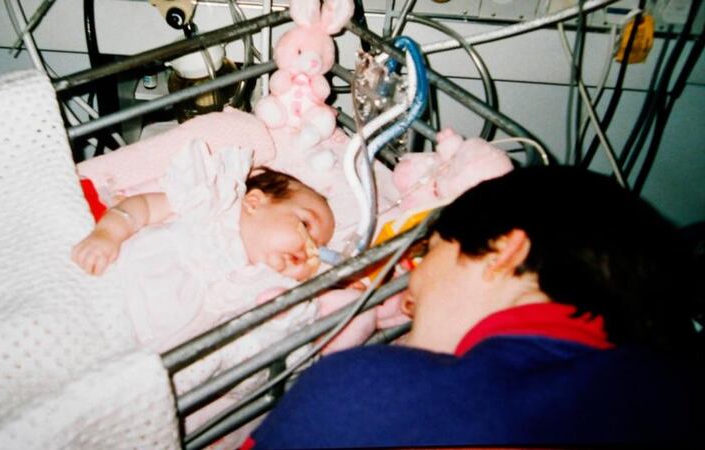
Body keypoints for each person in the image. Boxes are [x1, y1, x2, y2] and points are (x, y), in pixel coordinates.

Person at [246, 165, 703, 449]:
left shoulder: (366, 390)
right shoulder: (673, 395)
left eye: (430, 253)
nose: (411, 287)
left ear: (502, 251)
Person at [72, 141, 335, 352]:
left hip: (140, 353)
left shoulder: (265, 288)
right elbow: (144, 207)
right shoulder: (211, 204)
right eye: (305, 224)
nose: (310, 248)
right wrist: (107, 234)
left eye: (320, 246)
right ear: (254, 202)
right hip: (109, 291)